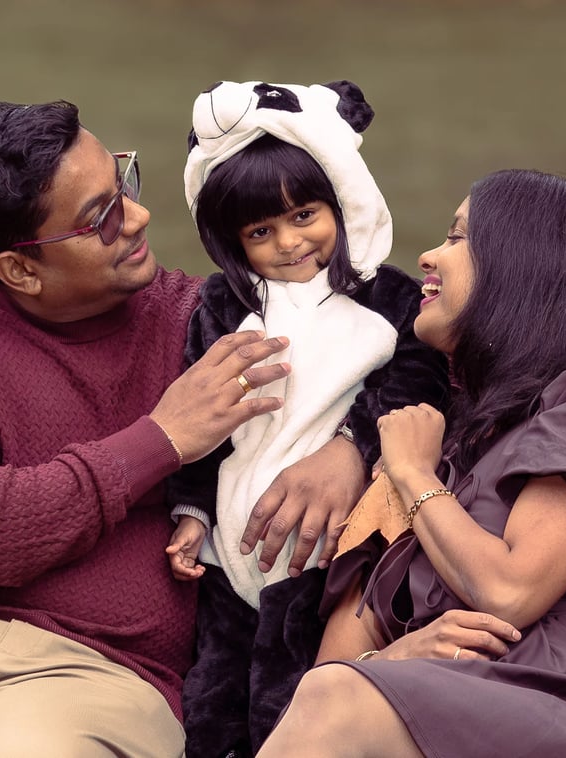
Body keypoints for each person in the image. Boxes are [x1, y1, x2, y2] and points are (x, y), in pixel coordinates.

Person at [0, 100, 367, 757]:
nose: (138, 217)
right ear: (20, 270)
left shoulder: (212, 322)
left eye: (124, 185)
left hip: (103, 670)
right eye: (101, 218)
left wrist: (352, 449)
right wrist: (160, 441)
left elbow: (412, 367)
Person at [258, 169, 566, 757]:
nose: (429, 255)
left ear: (528, 269)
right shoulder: (446, 436)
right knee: (336, 693)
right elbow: (331, 673)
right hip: (462, 709)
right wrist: (391, 657)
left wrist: (413, 475)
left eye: (459, 238)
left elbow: (510, 593)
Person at [166, 80, 450, 756]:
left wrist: (353, 444)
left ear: (341, 202)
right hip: (231, 543)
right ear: (233, 241)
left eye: (305, 216)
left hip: (331, 549)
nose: (290, 243)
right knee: (212, 695)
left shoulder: (388, 299)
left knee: (291, 691)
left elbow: (419, 387)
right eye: (261, 231)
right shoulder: (224, 307)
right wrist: (190, 512)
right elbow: (200, 420)